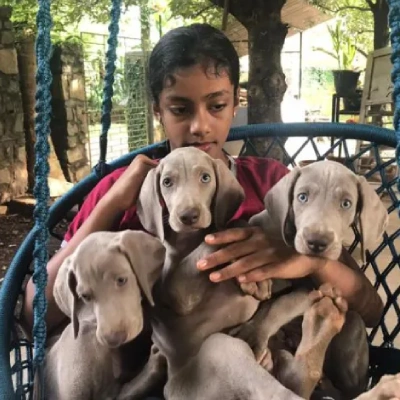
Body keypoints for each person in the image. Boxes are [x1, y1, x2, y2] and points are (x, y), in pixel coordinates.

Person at [21, 21, 382, 383]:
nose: (200, 126)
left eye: (217, 105)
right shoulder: (125, 190)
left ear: (235, 101)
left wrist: (304, 261)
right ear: (157, 111)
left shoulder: (273, 183)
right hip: (162, 374)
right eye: (180, 109)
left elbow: (369, 307)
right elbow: (35, 311)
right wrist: (112, 203)